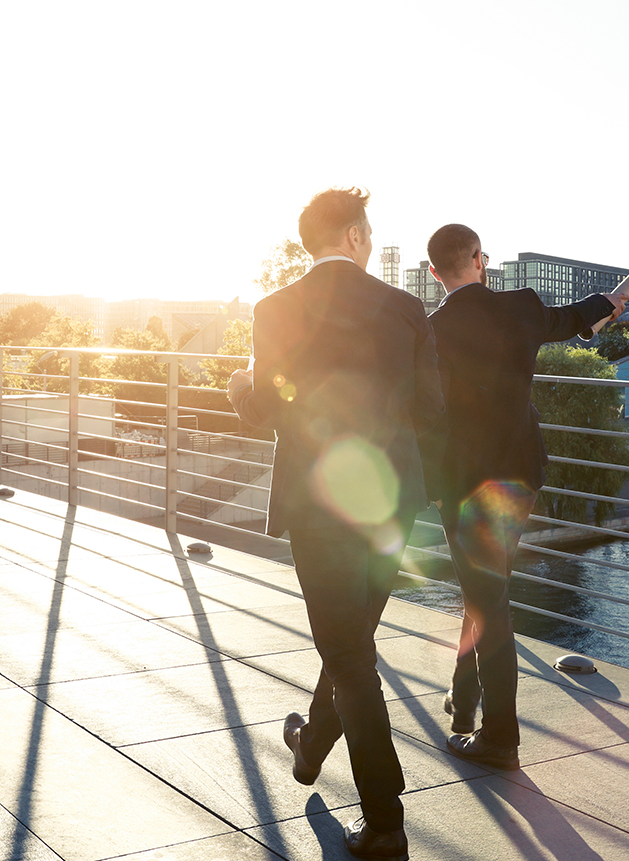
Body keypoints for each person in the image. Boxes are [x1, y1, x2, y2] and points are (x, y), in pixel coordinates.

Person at [229, 188, 443, 860]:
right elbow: (432, 407)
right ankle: (311, 744)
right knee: (351, 640)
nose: (372, 242)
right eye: (369, 232)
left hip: (319, 503)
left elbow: (262, 408)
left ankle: (385, 822)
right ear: (352, 237)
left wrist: (241, 383)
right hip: (389, 500)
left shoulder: (276, 309)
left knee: (348, 653)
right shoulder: (407, 308)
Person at [421, 223, 627, 769]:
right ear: (481, 260)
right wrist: (609, 303)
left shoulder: (431, 330)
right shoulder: (521, 307)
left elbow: (429, 418)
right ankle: (464, 707)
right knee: (486, 591)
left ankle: (501, 738)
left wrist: (435, 489)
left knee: (487, 599)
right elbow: (575, 317)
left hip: (464, 484)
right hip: (517, 474)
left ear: (436, 273)